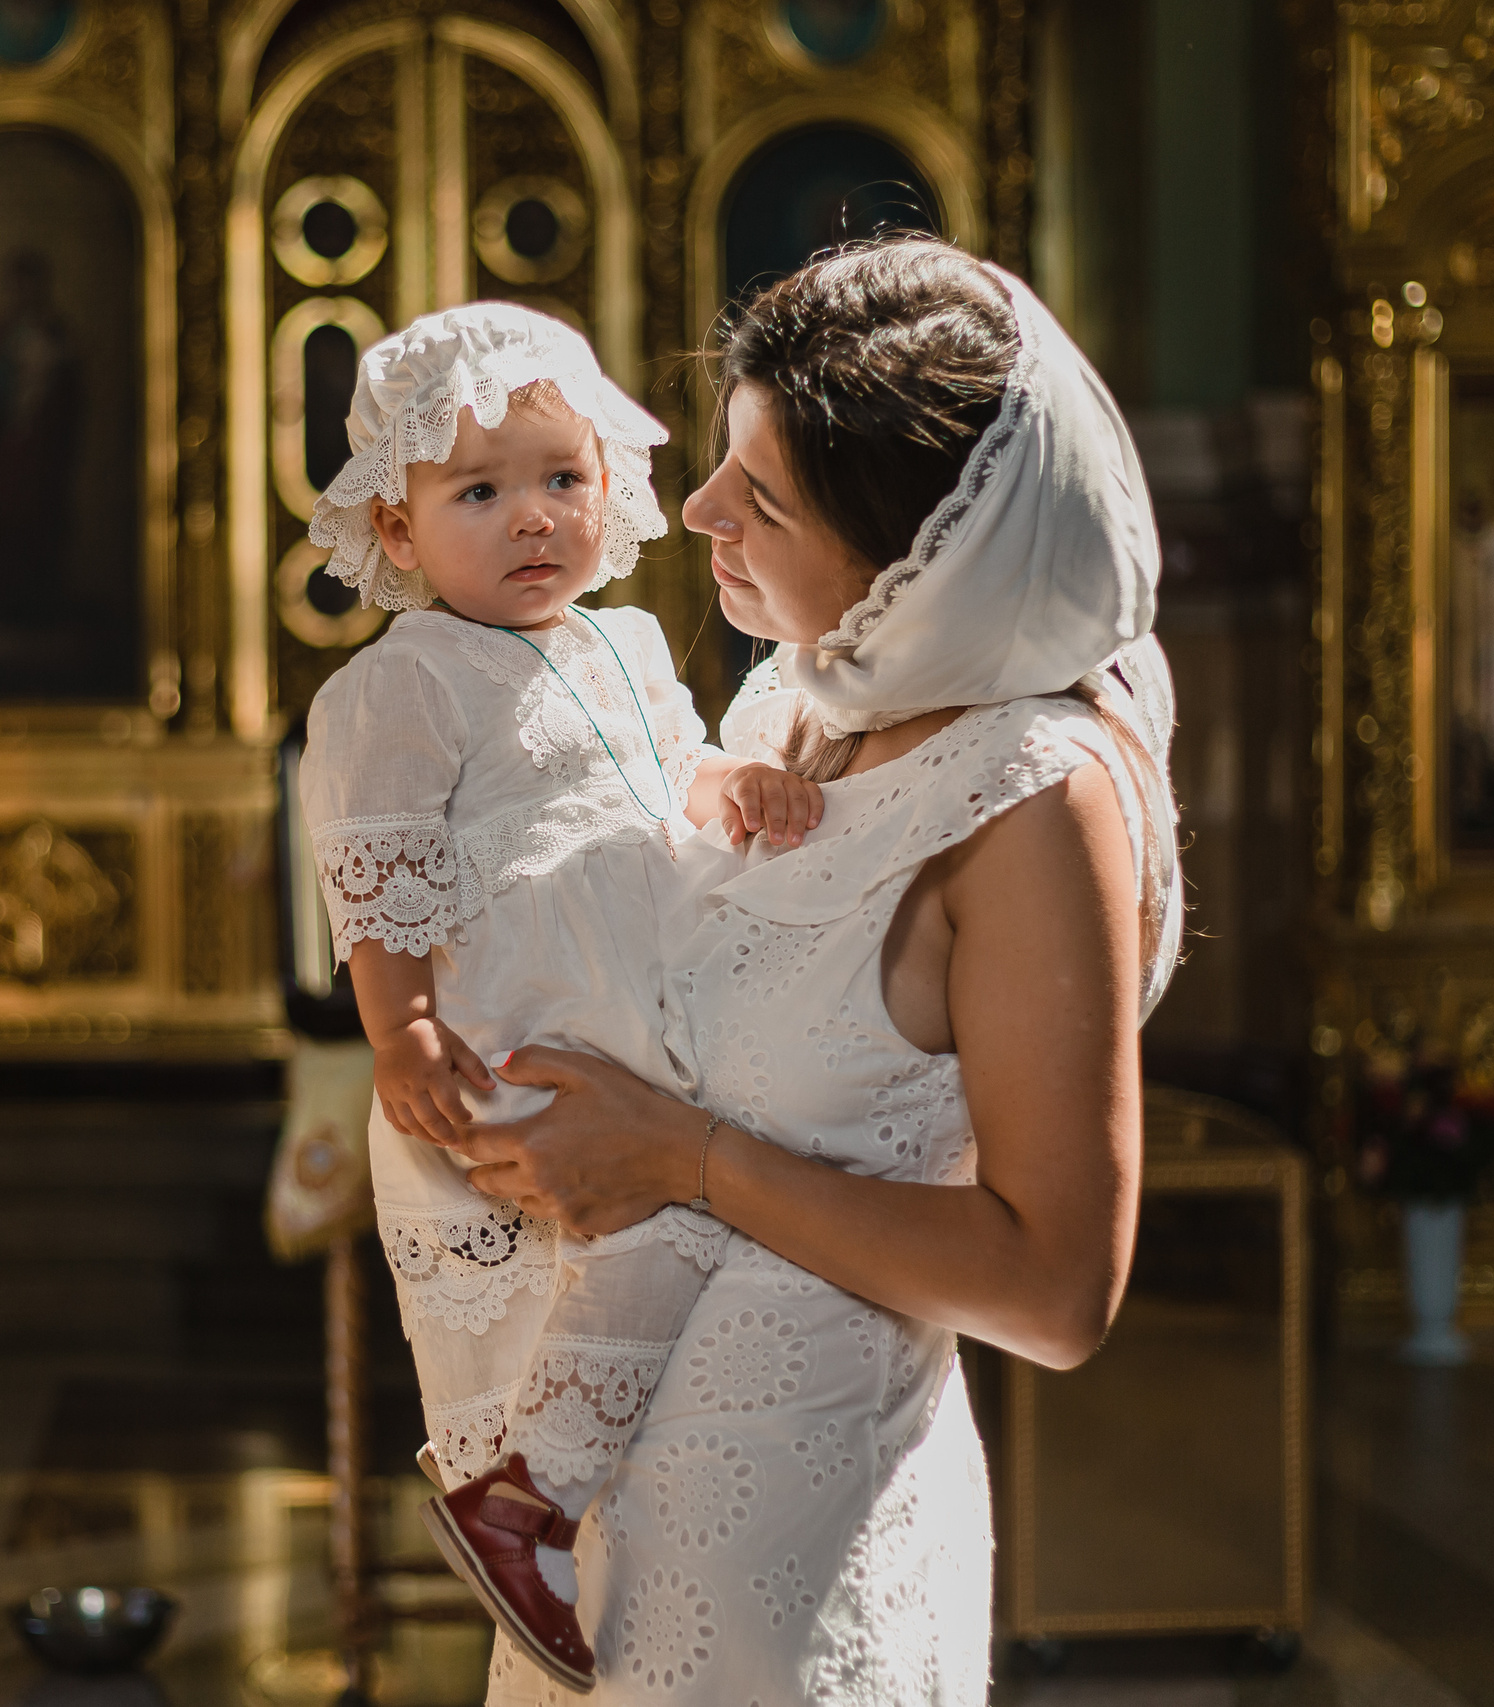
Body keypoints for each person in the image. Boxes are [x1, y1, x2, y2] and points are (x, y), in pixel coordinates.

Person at [448, 238, 1184, 1702]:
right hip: (605, 1540)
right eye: (726, 460)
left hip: (800, 1567)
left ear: (924, 560)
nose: (703, 509)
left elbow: (1057, 1288)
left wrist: (683, 1157)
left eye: (764, 498)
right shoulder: (803, 699)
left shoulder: (1030, 793)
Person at [296, 303, 822, 1691]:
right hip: (511, 1037)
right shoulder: (403, 685)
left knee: (680, 1241)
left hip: (644, 1021)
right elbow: (377, 862)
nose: (532, 519)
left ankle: (536, 1500)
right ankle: (532, 1497)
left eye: (562, 480)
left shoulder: (631, 643)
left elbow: (671, 777)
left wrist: (735, 787)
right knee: (597, 1259)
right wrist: (400, 1025)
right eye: (479, 492)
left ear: (613, 489)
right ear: (399, 533)